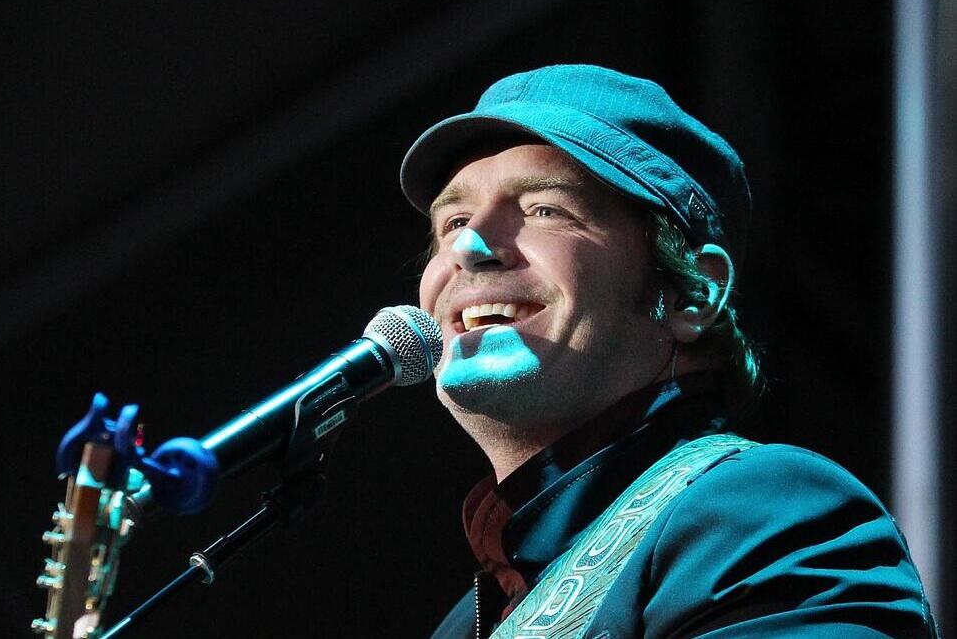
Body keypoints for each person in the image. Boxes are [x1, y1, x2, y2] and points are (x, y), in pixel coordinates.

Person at [399, 65, 937, 638]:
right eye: (454, 221)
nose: (470, 246)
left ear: (692, 294)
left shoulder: (761, 514)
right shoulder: (464, 622)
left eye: (545, 210)